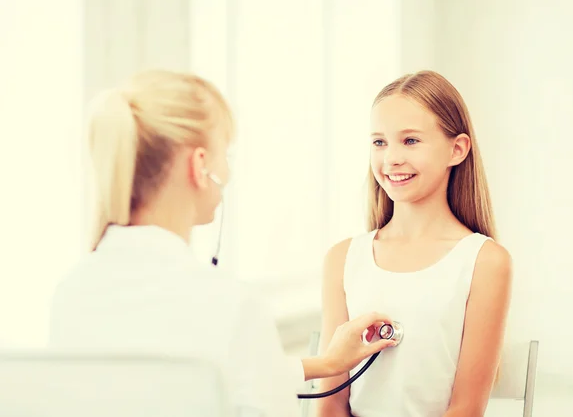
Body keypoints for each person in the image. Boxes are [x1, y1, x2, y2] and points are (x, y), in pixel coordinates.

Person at [47, 70, 399, 416]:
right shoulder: (232, 305)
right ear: (200, 165)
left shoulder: (71, 293)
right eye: (224, 155)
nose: (227, 174)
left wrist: (327, 363)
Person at [315, 71, 513, 417]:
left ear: (457, 149)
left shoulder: (485, 262)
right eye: (379, 142)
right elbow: (330, 402)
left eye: (410, 141)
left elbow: (466, 409)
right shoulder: (342, 259)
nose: (391, 158)